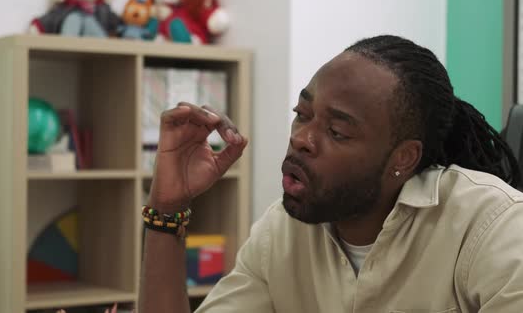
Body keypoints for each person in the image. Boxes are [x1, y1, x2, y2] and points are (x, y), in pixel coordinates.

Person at [138, 35, 523, 313]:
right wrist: (167, 209)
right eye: (302, 114)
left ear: (403, 158)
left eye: (337, 132)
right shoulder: (281, 232)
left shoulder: (492, 225)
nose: (302, 138)